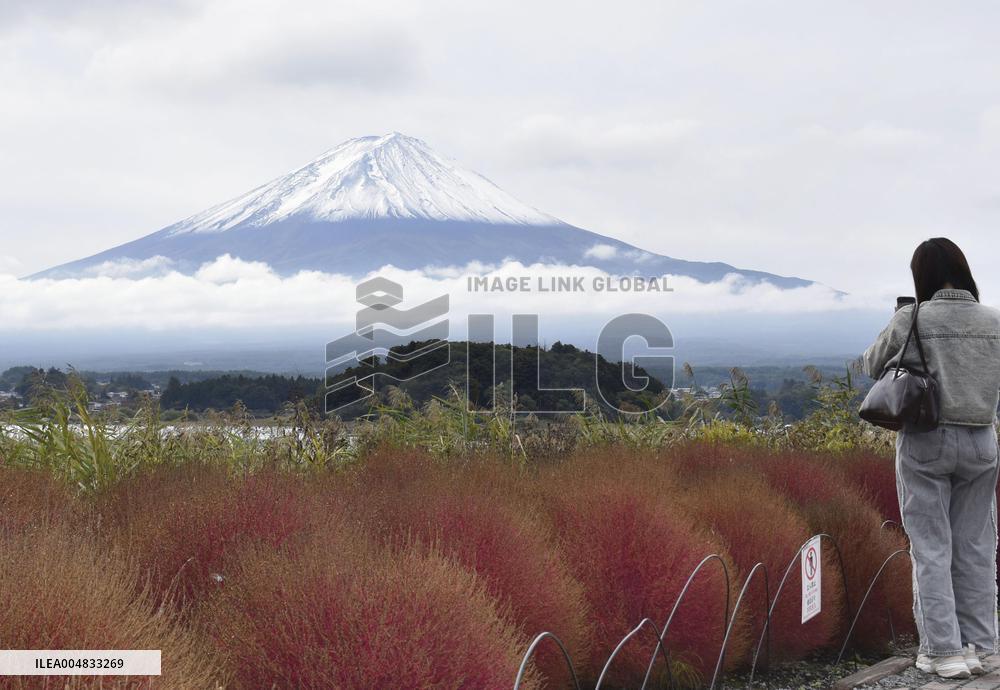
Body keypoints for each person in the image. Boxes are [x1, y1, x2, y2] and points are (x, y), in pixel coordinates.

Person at [863, 238, 1000, 679]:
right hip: (982, 440)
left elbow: (870, 365)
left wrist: (900, 326)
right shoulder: (993, 321)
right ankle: (984, 648)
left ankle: (944, 652)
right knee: (978, 547)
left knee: (932, 548)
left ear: (921, 275)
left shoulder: (911, 317)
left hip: (927, 441)